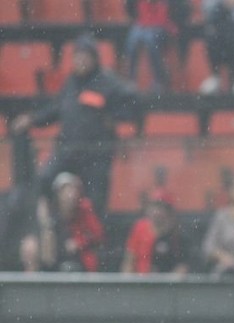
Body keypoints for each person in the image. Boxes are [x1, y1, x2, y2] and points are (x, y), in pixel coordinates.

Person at [11, 34, 139, 219]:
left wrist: (114, 117)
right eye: (78, 56)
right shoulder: (70, 83)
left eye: (85, 55)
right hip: (67, 149)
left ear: (95, 58)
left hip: (96, 154)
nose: (81, 60)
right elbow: (56, 109)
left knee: (95, 202)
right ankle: (48, 225)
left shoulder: (107, 82)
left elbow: (133, 100)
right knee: (43, 181)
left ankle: (92, 241)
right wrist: (31, 119)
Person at [19, 172, 104, 273]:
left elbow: (98, 235)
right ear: (58, 193)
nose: (70, 195)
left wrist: (79, 242)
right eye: (66, 190)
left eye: (73, 190)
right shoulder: (49, 212)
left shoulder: (85, 209)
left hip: (79, 259)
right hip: (54, 257)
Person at [124, 0, 190, 93]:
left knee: (150, 40)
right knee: (132, 41)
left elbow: (182, 10)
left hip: (164, 24)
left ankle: (160, 79)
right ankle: (131, 80)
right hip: (142, 23)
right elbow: (129, 7)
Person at [121, 188, 191, 275]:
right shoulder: (139, 228)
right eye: (154, 206)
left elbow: (182, 266)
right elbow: (129, 259)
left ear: (169, 211)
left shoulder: (176, 234)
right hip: (140, 282)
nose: (156, 212)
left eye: (161, 207)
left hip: (164, 284)